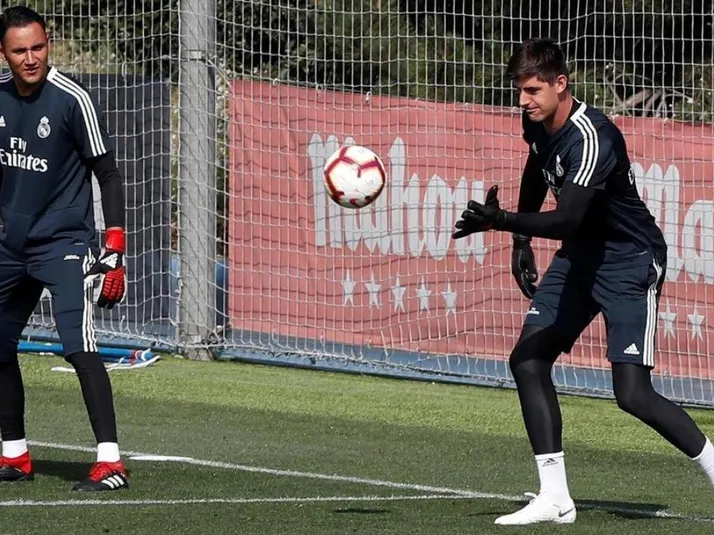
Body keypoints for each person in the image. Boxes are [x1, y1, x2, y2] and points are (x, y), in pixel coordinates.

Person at [452, 38, 714, 525]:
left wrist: (503, 221)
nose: (523, 100)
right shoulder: (536, 122)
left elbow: (567, 218)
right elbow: (537, 166)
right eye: (519, 90)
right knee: (528, 360)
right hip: (581, 256)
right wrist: (520, 242)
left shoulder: (595, 137)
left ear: (560, 83)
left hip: (629, 259)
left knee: (632, 394)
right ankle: (555, 498)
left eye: (533, 90)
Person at [0, 6, 129, 491]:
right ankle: (15, 455)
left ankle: (110, 462)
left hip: (64, 245)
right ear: (3, 53)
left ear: (47, 43)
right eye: (20, 50)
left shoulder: (73, 99)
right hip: (10, 246)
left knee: (79, 346)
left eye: (38, 47)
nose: (31, 58)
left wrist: (114, 246)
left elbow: (107, 173)